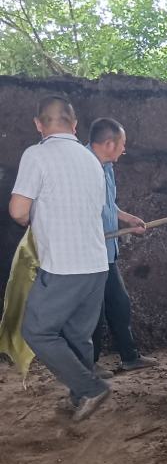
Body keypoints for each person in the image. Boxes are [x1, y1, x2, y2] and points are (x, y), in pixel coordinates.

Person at [9, 95, 111, 421]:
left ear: (39, 124)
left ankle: (91, 387)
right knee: (77, 335)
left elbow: (18, 210)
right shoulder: (89, 159)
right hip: (96, 265)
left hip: (64, 266)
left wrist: (29, 218)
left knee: (37, 331)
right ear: (75, 124)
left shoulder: (37, 155)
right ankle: (82, 394)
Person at [88, 117, 157, 373]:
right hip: (89, 252)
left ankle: (129, 356)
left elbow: (108, 205)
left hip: (106, 251)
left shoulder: (106, 167)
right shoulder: (84, 167)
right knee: (93, 310)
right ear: (109, 144)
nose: (124, 150)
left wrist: (128, 218)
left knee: (119, 303)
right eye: (122, 144)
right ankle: (89, 364)